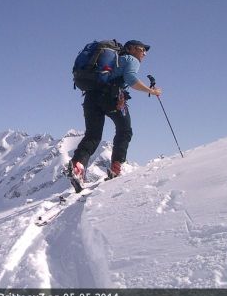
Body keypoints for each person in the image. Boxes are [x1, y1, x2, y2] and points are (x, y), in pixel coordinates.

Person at [68, 39, 162, 192]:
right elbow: (131, 79)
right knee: (125, 130)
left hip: (90, 98)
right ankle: (116, 168)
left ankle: (78, 167)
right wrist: (151, 91)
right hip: (111, 99)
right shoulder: (130, 59)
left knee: (92, 135)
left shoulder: (112, 61)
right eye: (142, 49)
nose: (144, 53)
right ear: (130, 49)